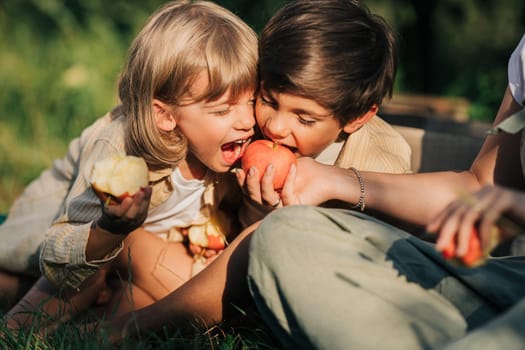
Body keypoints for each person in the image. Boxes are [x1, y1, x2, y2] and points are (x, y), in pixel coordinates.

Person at [100, 0, 413, 342]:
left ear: (357, 118)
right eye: (268, 100)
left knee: (139, 247)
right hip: (226, 266)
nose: (276, 126)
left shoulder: (383, 164)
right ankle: (114, 305)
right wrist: (257, 209)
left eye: (304, 119)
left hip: (307, 293)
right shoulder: (250, 131)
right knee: (132, 239)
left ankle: (126, 327)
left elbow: (357, 267)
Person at [246, 32, 525, 349]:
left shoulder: (385, 149)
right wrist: (337, 180)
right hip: (509, 278)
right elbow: (481, 188)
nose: (277, 128)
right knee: (286, 233)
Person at [6, 0, 259, 331]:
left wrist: (258, 202)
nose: (246, 120)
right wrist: (110, 228)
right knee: (78, 284)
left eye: (252, 101)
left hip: (134, 256)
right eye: (223, 110)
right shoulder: (120, 148)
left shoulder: (230, 149)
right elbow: (61, 253)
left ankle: (89, 330)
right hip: (58, 250)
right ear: (165, 115)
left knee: (152, 302)